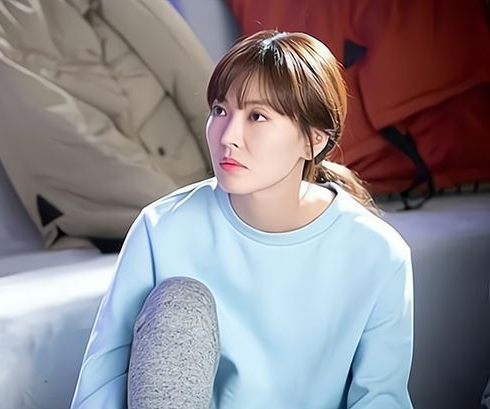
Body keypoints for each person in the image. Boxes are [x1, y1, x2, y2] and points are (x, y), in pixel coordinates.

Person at [69, 30, 414, 409]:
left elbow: (381, 397)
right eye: (220, 111)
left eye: (257, 116)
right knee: (180, 302)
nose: (228, 136)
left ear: (313, 140)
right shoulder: (161, 227)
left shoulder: (377, 252)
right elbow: (101, 385)